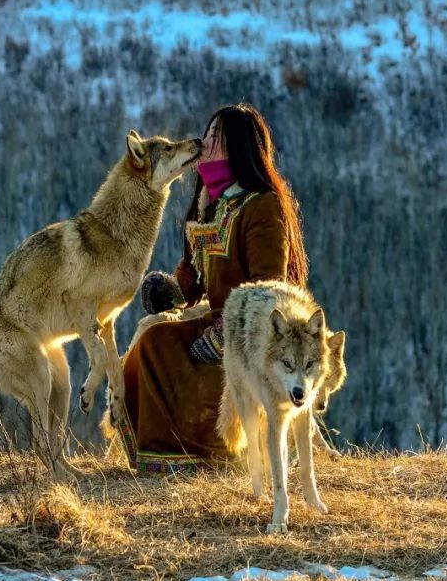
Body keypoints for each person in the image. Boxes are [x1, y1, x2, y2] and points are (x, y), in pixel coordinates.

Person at [115, 103, 308, 474]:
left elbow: (271, 291)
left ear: (239, 147)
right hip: (212, 322)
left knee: (158, 345)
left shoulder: (263, 206)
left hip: (248, 340)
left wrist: (223, 335)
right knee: (149, 341)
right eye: (206, 135)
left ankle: (191, 454)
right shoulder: (209, 205)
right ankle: (159, 452)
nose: (205, 143)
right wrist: (171, 292)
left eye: (216, 137)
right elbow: (195, 281)